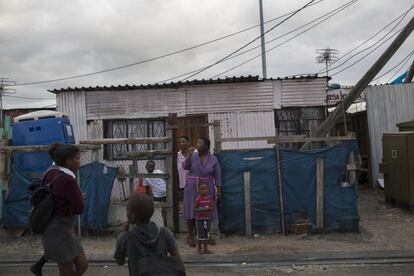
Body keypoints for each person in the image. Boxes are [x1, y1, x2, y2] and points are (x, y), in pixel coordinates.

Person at [40, 144, 88, 276]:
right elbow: (79, 208)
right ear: (68, 160)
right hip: (58, 228)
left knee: (82, 264)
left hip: (59, 226)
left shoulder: (51, 171)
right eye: (77, 158)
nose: (80, 161)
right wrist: (78, 198)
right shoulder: (67, 179)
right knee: (67, 270)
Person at [114, 193, 184, 276]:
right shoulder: (165, 233)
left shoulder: (125, 238)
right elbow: (178, 260)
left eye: (127, 211)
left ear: (132, 216)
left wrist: (123, 232)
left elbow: (120, 261)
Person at [30, 142, 63, 276]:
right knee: (61, 244)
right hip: (53, 214)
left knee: (58, 244)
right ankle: (38, 266)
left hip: (54, 214)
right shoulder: (54, 172)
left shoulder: (54, 170)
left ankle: (38, 266)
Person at [182, 137, 221, 247]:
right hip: (192, 186)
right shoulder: (193, 156)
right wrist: (189, 155)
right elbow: (185, 166)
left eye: (200, 143)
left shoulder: (213, 159)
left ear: (206, 146)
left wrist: (218, 188)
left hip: (207, 187)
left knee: (206, 210)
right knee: (191, 210)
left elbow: (218, 174)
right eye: (197, 142)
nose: (197, 144)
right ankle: (190, 235)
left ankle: (207, 235)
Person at [194, 182, 213, 255]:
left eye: (205, 189)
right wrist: (202, 209)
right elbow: (195, 209)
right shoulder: (198, 199)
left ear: (207, 189)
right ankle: (199, 248)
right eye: (201, 189)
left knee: (206, 234)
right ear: (199, 190)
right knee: (200, 235)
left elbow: (211, 208)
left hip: (207, 219)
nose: (203, 191)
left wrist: (208, 208)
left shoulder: (209, 198)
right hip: (199, 220)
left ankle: (206, 248)